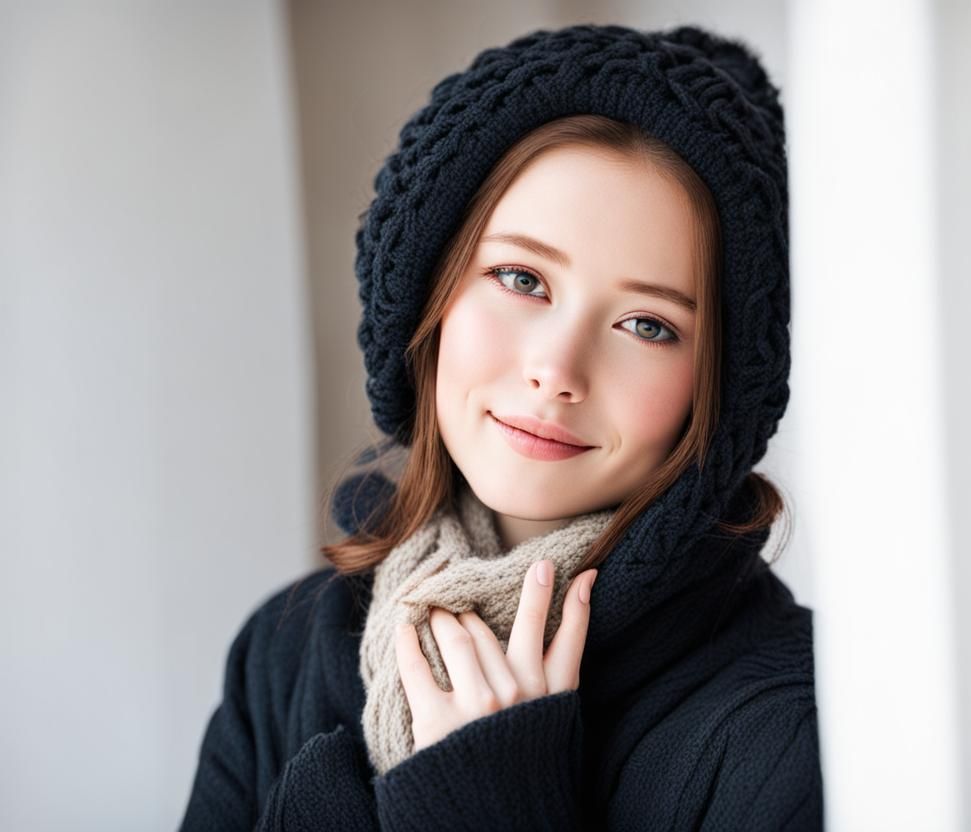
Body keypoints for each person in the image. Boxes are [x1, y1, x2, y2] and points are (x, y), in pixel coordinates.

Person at [180, 22, 821, 831]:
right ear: (428, 292)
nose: (558, 369)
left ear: (722, 388)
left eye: (649, 325)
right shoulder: (285, 650)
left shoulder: (794, 727)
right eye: (521, 278)